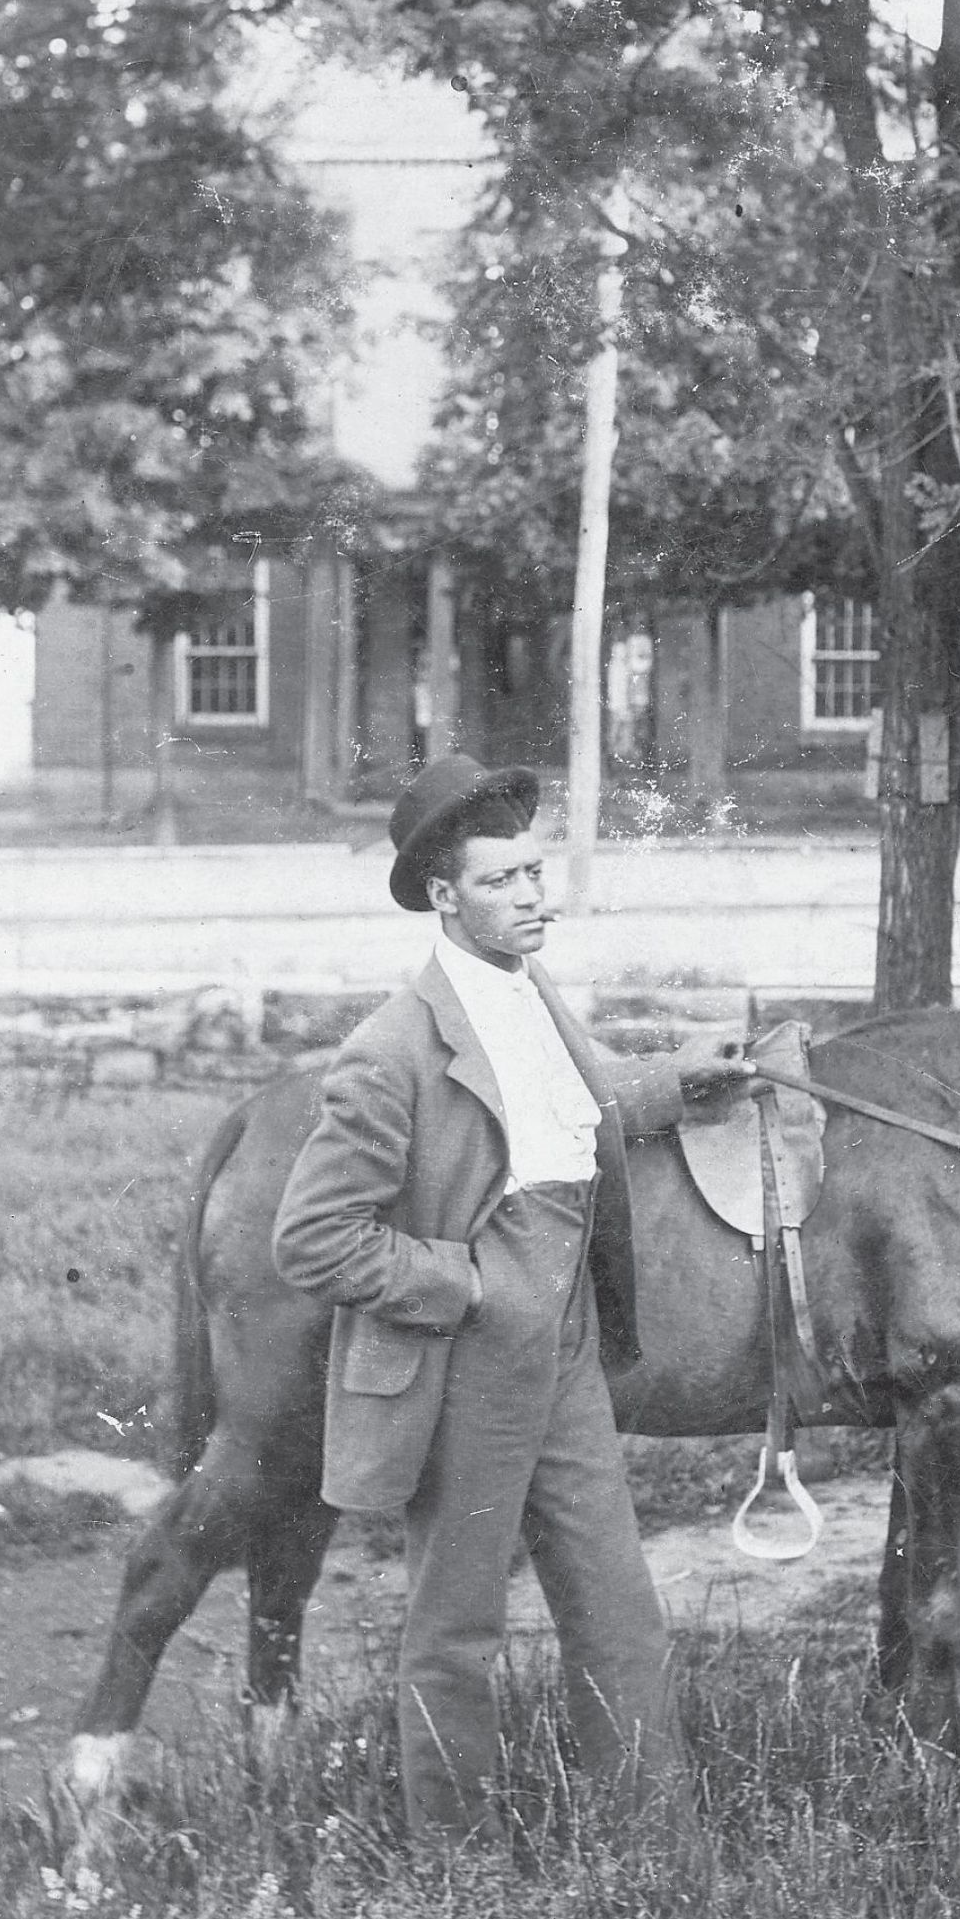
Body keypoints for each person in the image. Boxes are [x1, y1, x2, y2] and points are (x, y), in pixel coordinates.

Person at [272, 752, 750, 1853]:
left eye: (537, 872)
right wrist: (465, 1284)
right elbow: (314, 1238)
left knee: (617, 1602)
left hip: (568, 1340)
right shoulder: (389, 1051)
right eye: (504, 881)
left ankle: (655, 1844)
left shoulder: (532, 991)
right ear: (446, 897)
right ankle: (457, 1866)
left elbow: (579, 1113)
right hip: (468, 1356)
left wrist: (681, 1081)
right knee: (457, 1624)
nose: (535, 896)